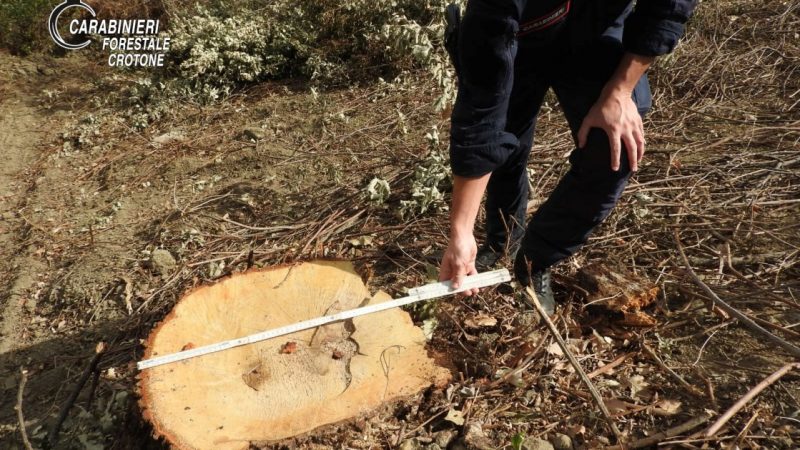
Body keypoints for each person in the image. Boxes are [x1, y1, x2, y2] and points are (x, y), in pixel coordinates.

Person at [438, 0, 697, 314]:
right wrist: (461, 231)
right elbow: (484, 113)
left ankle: (534, 260)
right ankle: (502, 239)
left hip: (597, 28)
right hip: (521, 34)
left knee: (614, 145)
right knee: (506, 145)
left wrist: (621, 90)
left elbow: (669, 8)